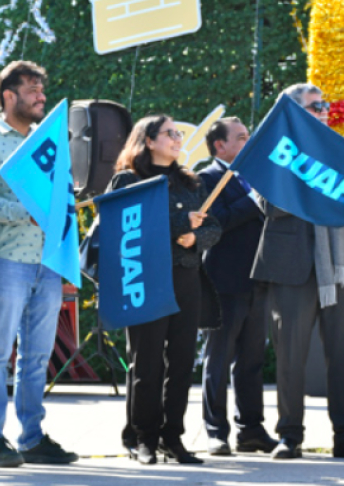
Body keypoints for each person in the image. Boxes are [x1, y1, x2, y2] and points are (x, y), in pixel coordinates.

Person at [251, 83, 344, 460]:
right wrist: (313, 188)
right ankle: (290, 435)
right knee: (290, 356)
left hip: (339, 268)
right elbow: (268, 207)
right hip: (292, 268)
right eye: (315, 106)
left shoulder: (340, 152)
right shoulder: (276, 153)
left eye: (325, 105)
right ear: (292, 113)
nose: (324, 110)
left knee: (343, 356)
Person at [0, 61, 78, 467]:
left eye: (41, 90)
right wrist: (25, 212)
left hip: (46, 261)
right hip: (4, 259)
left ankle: (32, 437)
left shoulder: (44, 143)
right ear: (8, 95)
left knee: (36, 355)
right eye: (32, 90)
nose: (41, 97)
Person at [108, 114, 221, 465]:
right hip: (143, 278)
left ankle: (173, 437)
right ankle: (143, 437)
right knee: (147, 361)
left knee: (183, 361)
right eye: (170, 133)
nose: (177, 138)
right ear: (149, 140)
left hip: (186, 279)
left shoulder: (192, 182)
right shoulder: (128, 179)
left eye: (177, 133)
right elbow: (123, 227)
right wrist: (179, 226)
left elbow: (214, 226)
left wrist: (194, 236)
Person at [198, 118, 278, 456]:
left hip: (259, 281)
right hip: (225, 283)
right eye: (242, 138)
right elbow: (217, 222)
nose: (249, 143)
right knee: (218, 359)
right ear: (220, 146)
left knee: (251, 361)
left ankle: (251, 431)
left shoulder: (259, 176)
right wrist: (255, 199)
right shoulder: (206, 177)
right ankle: (217, 432)